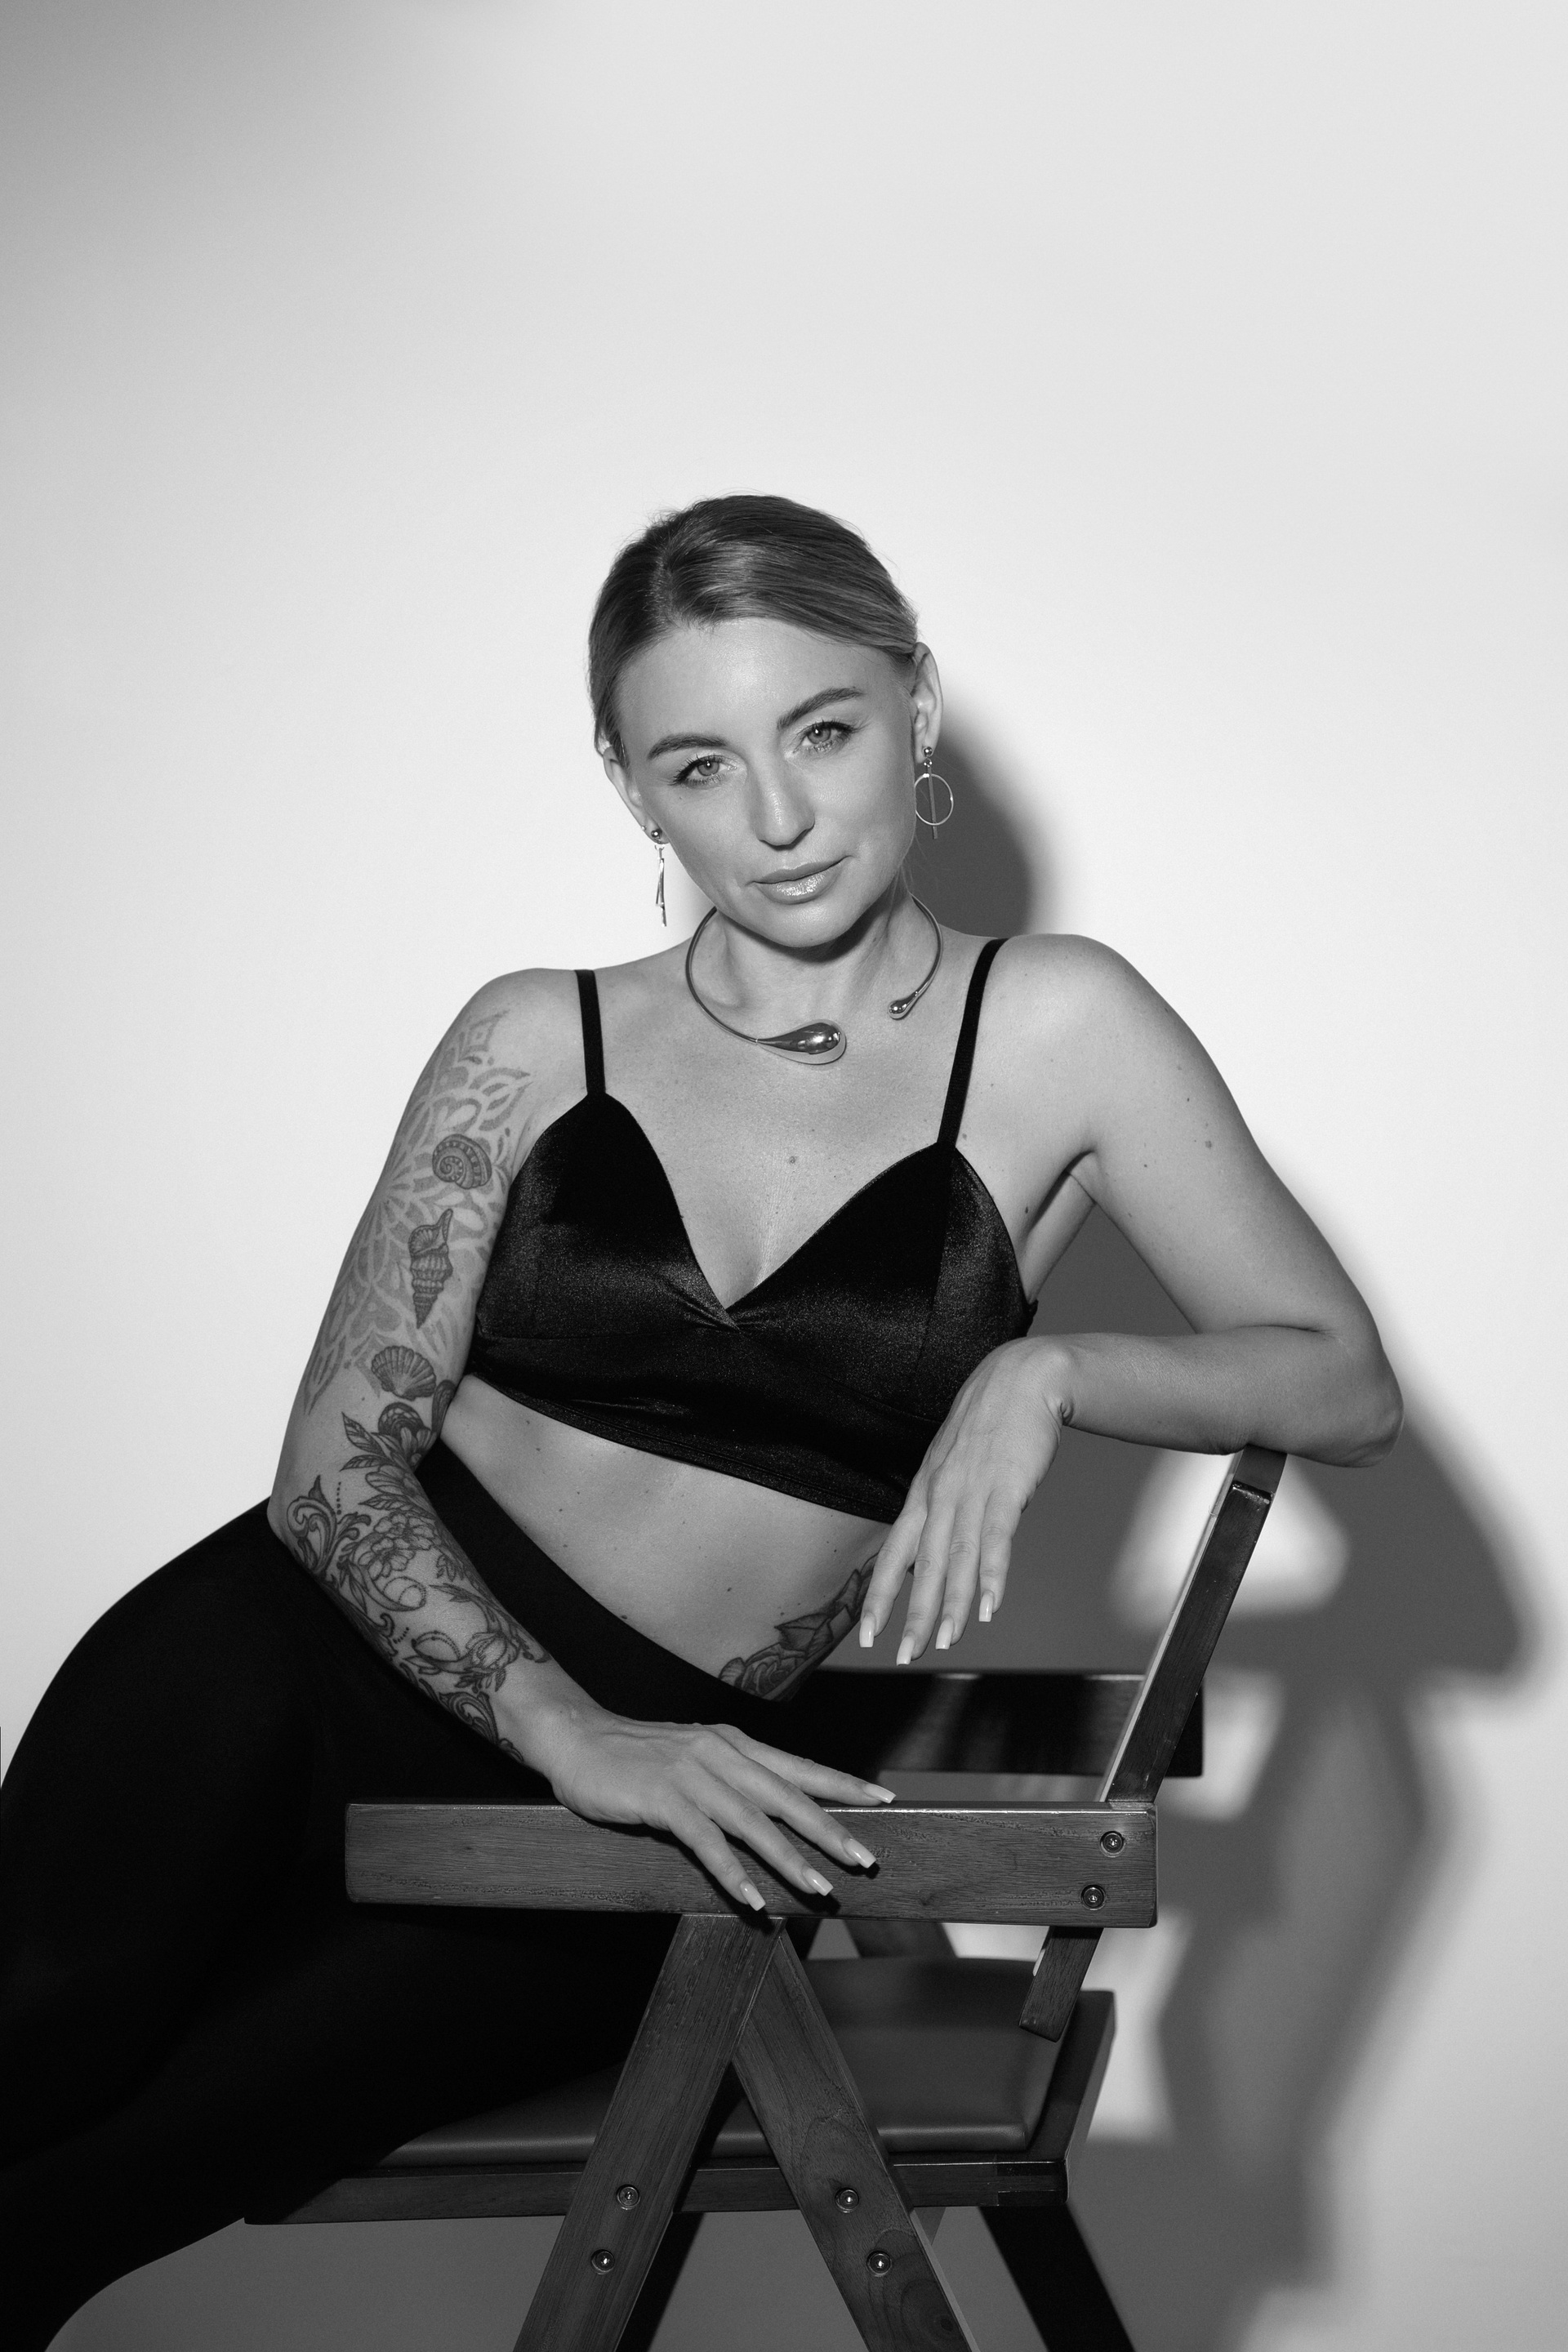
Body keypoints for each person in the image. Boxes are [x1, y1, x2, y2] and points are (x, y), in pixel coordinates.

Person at [0, 494, 1401, 2346]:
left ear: (916, 708)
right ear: (632, 788)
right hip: (290, 1671)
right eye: (700, 765)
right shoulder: (533, 1036)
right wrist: (576, 1735)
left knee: (74, 2207)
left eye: (823, 730)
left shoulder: (1059, 1028)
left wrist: (1047, 1371)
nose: (781, 815)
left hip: (674, 1806)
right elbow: (334, 1468)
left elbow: (1339, 1378)